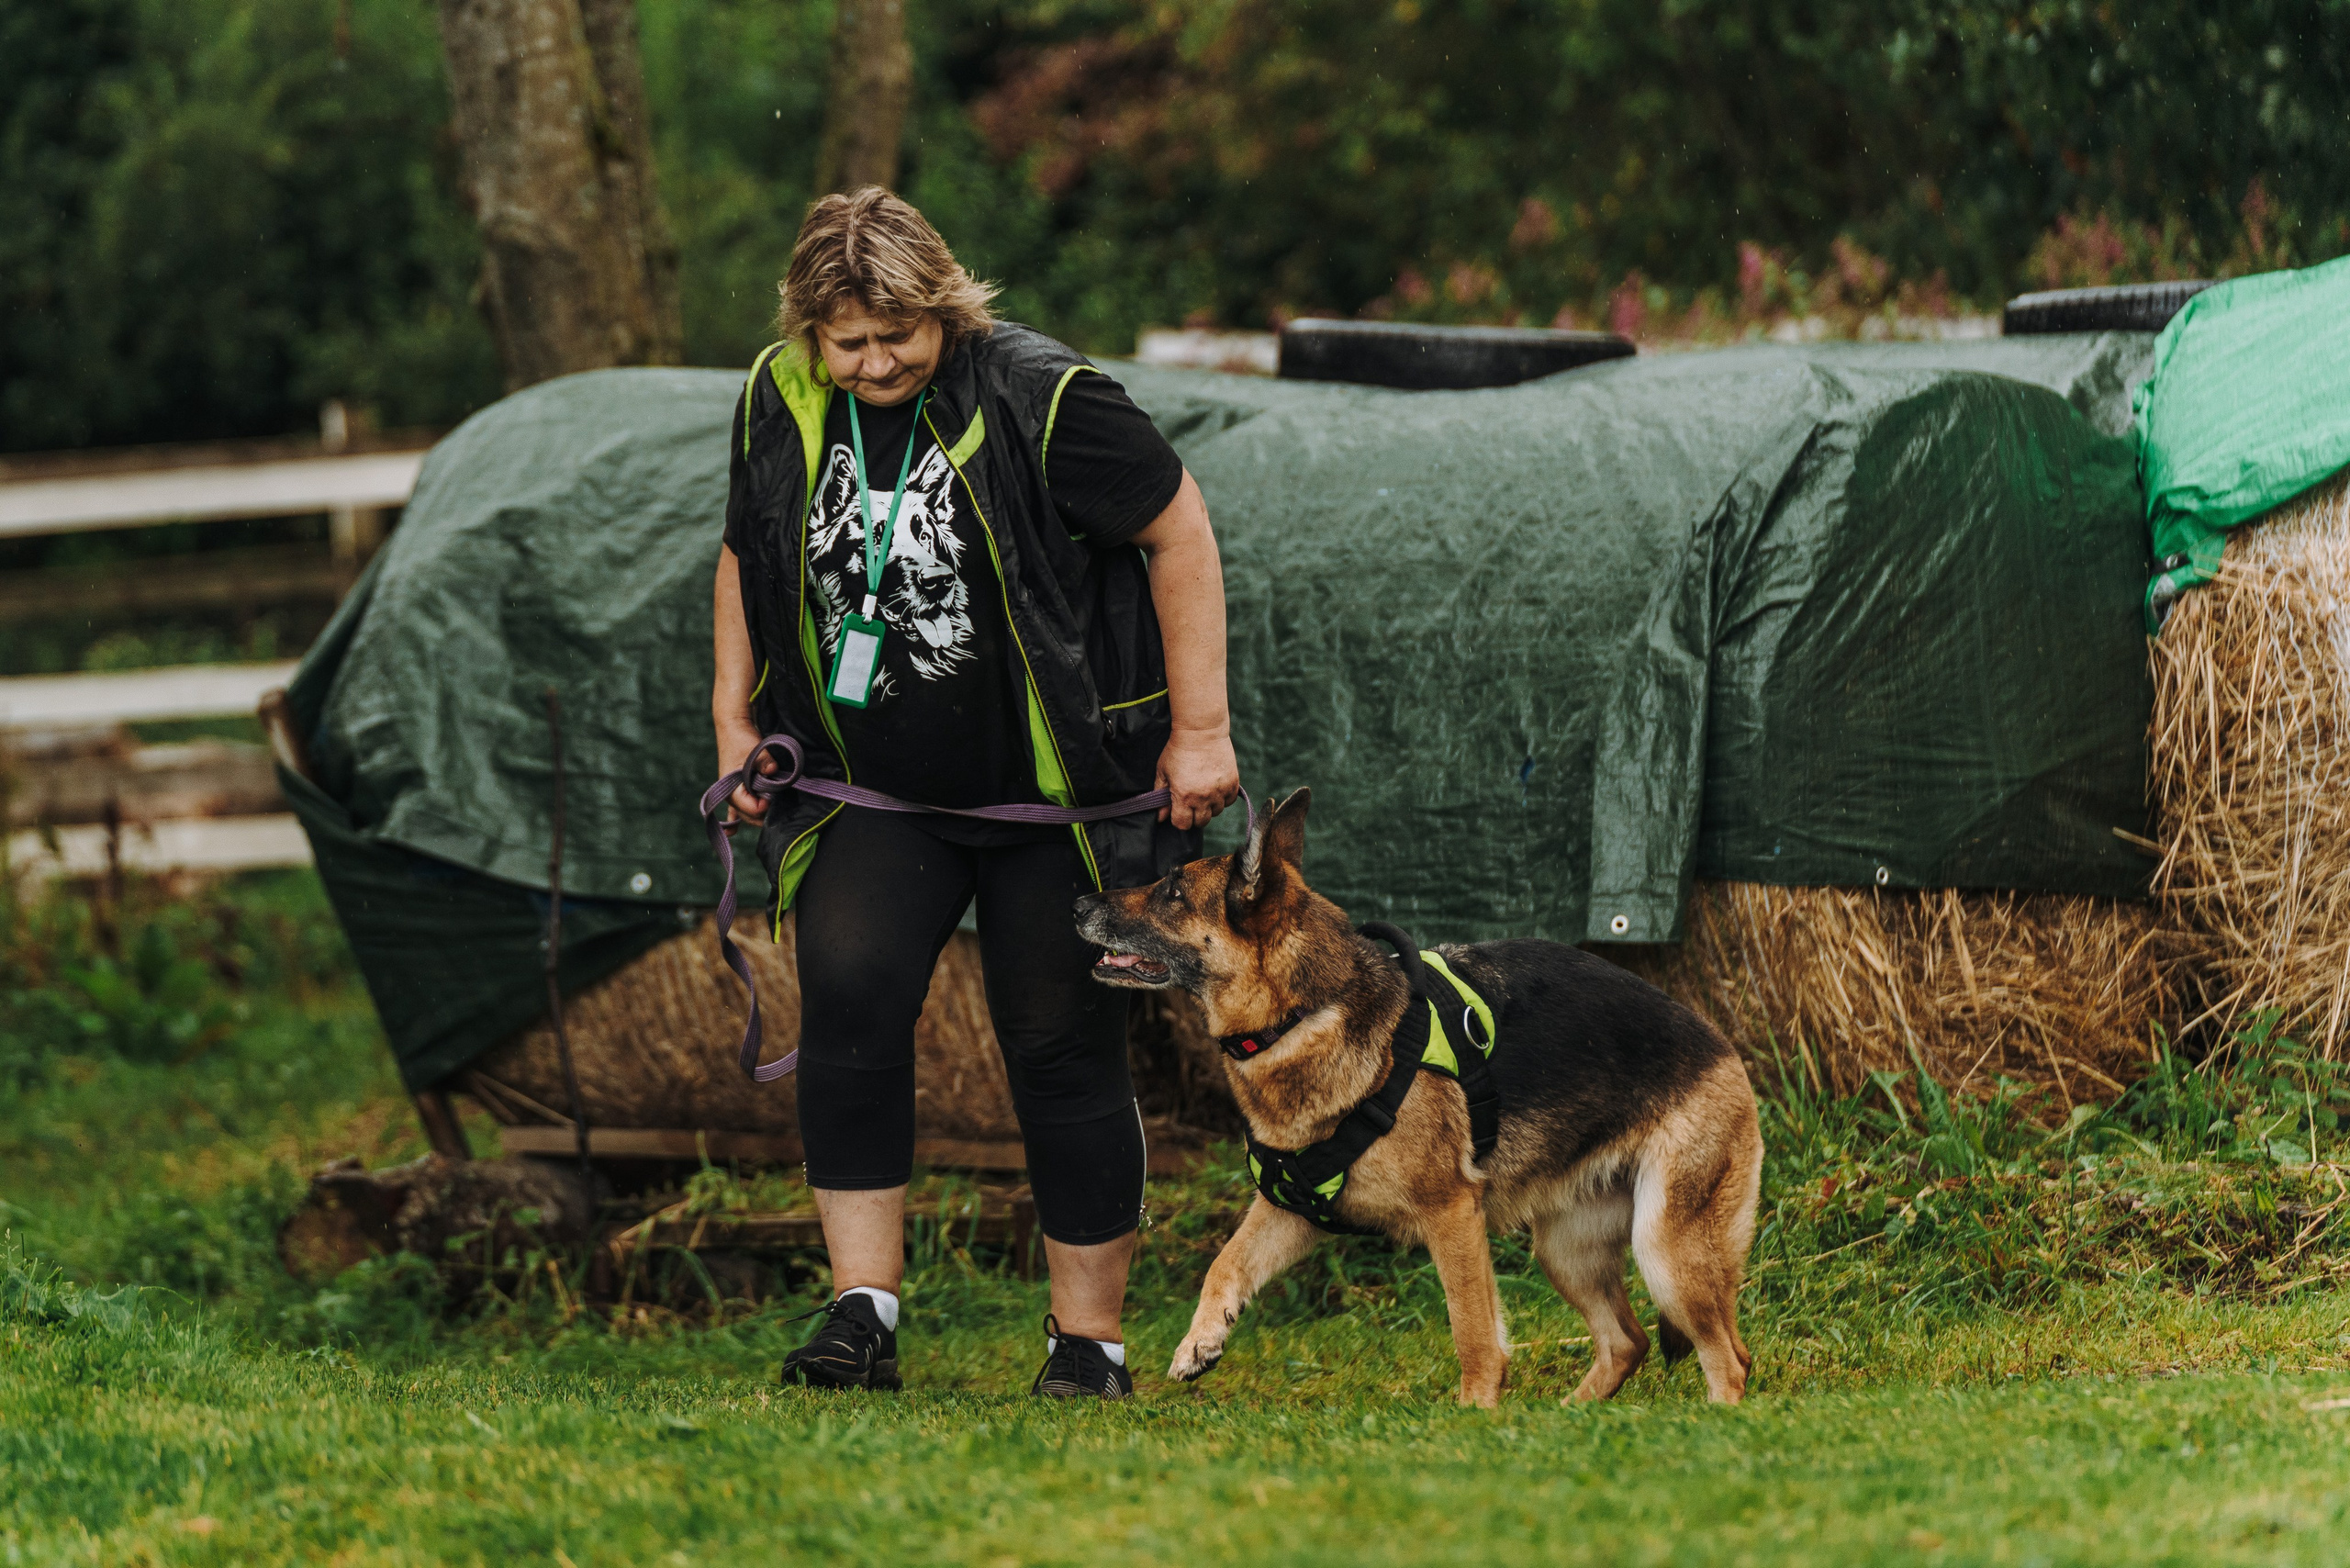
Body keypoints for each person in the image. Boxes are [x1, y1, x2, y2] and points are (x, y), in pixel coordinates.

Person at [712, 187, 1238, 1399]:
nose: (877, 359)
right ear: (809, 333)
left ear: (947, 308)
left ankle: (1087, 1346)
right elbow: (746, 547)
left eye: (900, 331)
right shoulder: (778, 398)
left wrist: (1201, 732)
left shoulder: (1046, 396)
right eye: (848, 340)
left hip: (1046, 795)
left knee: (1058, 1044)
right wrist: (736, 718)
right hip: (871, 789)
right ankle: (861, 1319)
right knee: (846, 1009)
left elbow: (1180, 530)